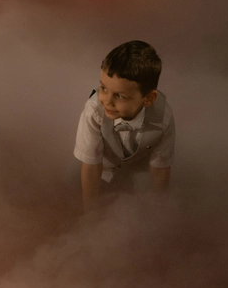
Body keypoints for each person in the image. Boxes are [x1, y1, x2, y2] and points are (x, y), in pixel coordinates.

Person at [73, 40, 175, 212]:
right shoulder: (94, 110)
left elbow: (160, 170)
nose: (107, 101)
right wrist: (90, 215)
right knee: (71, 183)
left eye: (120, 96)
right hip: (100, 169)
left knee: (138, 206)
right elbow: (91, 166)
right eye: (104, 88)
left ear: (148, 99)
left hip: (137, 174)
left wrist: (159, 212)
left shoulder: (163, 117)